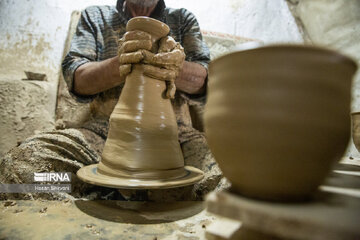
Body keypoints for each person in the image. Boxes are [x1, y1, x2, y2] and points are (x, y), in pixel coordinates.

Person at [0, 0, 226, 201]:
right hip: (102, 136)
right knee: (22, 171)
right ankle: (105, 195)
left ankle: (130, 196)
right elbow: (76, 79)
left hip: (177, 138)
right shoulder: (95, 16)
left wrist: (176, 68)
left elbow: (205, 81)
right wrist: (120, 63)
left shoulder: (182, 19)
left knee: (234, 179)